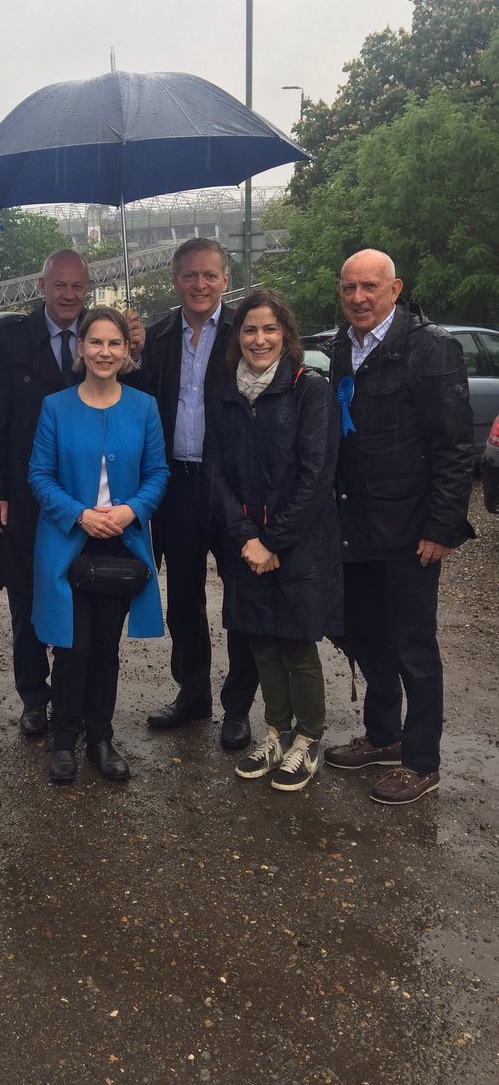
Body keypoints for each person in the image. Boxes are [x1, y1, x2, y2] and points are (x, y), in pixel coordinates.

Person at [324, 249, 474, 804]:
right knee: (364, 635)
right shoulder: (342, 348)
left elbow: (453, 444)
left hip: (411, 529)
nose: (358, 297)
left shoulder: (430, 348)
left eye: (370, 286)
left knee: (413, 647)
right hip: (356, 524)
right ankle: (383, 735)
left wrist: (442, 526)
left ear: (395, 289)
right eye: (349, 288)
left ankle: (421, 760)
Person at [0, 249, 145, 737]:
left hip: (88, 499)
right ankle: (35, 697)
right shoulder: (10, 340)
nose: (69, 295)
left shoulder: (101, 336)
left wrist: (137, 351)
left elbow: (133, 404)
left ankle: (80, 703)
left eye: (78, 286)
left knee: (85, 597)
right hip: (26, 494)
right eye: (60, 285)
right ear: (43, 286)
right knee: (27, 598)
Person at [205, 290, 342, 792]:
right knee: (261, 640)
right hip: (246, 543)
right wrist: (246, 536)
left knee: (296, 643)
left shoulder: (309, 389)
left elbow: (316, 474)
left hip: (298, 542)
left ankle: (308, 739)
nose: (259, 339)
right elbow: (216, 472)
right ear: (237, 337)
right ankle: (276, 733)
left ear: (285, 335)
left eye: (269, 329)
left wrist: (274, 541)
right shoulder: (225, 394)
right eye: (249, 329)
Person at [28, 307, 169, 784]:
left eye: (114, 343)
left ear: (126, 351)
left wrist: (132, 510)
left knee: (106, 647)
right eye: (96, 342)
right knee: (72, 647)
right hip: (70, 541)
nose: (104, 352)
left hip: (121, 543)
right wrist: (80, 514)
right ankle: (64, 740)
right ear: (81, 348)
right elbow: (39, 476)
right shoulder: (56, 407)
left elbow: (158, 473)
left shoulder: (144, 407)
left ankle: (100, 739)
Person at [140, 238, 258, 749]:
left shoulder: (244, 332)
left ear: (225, 280)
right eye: (190, 275)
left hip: (230, 485)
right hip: (176, 484)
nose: (200, 284)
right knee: (183, 598)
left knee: (241, 596)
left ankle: (238, 706)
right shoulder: (156, 337)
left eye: (210, 275)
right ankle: (193, 693)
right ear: (175, 281)